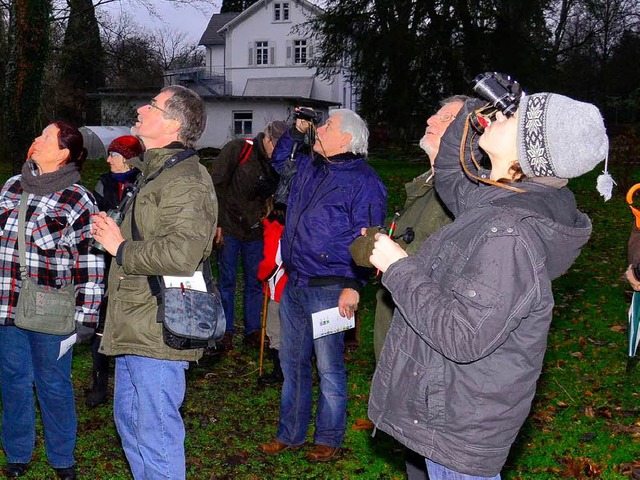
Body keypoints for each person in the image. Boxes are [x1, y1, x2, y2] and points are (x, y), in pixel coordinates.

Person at [367, 92, 609, 479]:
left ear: (528, 151)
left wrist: (399, 268)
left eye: (513, 117)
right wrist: (470, 110)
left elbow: (463, 336)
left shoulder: (509, 233)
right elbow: (449, 173)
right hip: (450, 405)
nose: (500, 117)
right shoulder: (498, 204)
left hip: (460, 423)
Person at [91, 85, 217, 480]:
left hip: (159, 331)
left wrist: (120, 247)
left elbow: (181, 255)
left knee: (156, 436)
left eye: (153, 105)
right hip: (136, 324)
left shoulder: (186, 180)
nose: (141, 107)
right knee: (132, 427)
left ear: (173, 123)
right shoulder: (157, 174)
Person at [259, 108, 387, 462]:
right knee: (293, 363)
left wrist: (355, 285)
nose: (321, 128)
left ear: (345, 138)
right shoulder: (310, 166)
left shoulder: (364, 181)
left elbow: (370, 239)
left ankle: (328, 437)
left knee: (329, 367)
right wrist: (296, 132)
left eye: (327, 125)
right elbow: (279, 160)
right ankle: (291, 433)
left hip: (333, 286)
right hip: (297, 281)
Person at [350, 96, 465, 480]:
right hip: (407, 351)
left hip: (433, 363)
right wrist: (378, 244)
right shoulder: (428, 188)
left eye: (446, 117)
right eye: (435, 111)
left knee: (437, 463)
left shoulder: (463, 191)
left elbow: (441, 271)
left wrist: (384, 251)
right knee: (418, 463)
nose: (430, 118)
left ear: (470, 132)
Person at [0, 121, 105, 480]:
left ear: (62, 152)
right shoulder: (12, 187)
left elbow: (90, 258)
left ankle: (62, 459)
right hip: (7, 307)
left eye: (45, 136)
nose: (36, 138)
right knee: (13, 381)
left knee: (54, 385)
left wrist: (88, 315)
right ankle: (17, 453)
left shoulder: (78, 198)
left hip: (52, 311)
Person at [211, 120, 287, 351]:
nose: (277, 149)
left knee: (256, 282)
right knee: (227, 281)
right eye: (275, 144)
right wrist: (218, 223)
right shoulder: (238, 149)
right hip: (230, 227)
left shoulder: (281, 163)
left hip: (256, 231)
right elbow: (216, 186)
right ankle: (225, 331)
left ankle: (253, 330)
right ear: (266, 138)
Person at [85, 134, 143, 409]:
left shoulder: (145, 183)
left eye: (114, 155)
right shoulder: (104, 183)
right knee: (101, 320)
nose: (108, 159)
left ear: (129, 158)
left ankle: (129, 383)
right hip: (103, 260)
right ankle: (99, 383)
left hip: (133, 262)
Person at [256, 198, 287, 386]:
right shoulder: (294, 225)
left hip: (280, 289)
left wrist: (262, 274)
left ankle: (280, 372)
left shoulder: (274, 228)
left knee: (275, 329)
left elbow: (272, 261)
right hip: (293, 286)